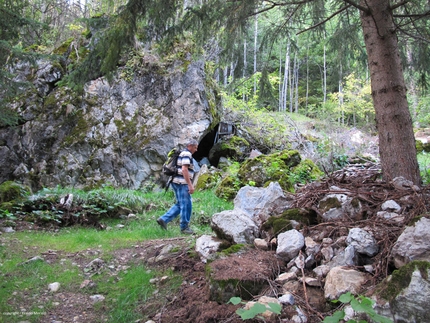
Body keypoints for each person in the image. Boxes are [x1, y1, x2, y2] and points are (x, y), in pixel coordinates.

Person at [157, 139, 198, 234]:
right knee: (186, 205)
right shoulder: (187, 154)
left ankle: (163, 219)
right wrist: (190, 185)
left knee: (180, 204)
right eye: (195, 147)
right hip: (182, 183)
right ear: (190, 146)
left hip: (175, 182)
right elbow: (184, 169)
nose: (196, 150)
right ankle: (184, 227)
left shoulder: (182, 153)